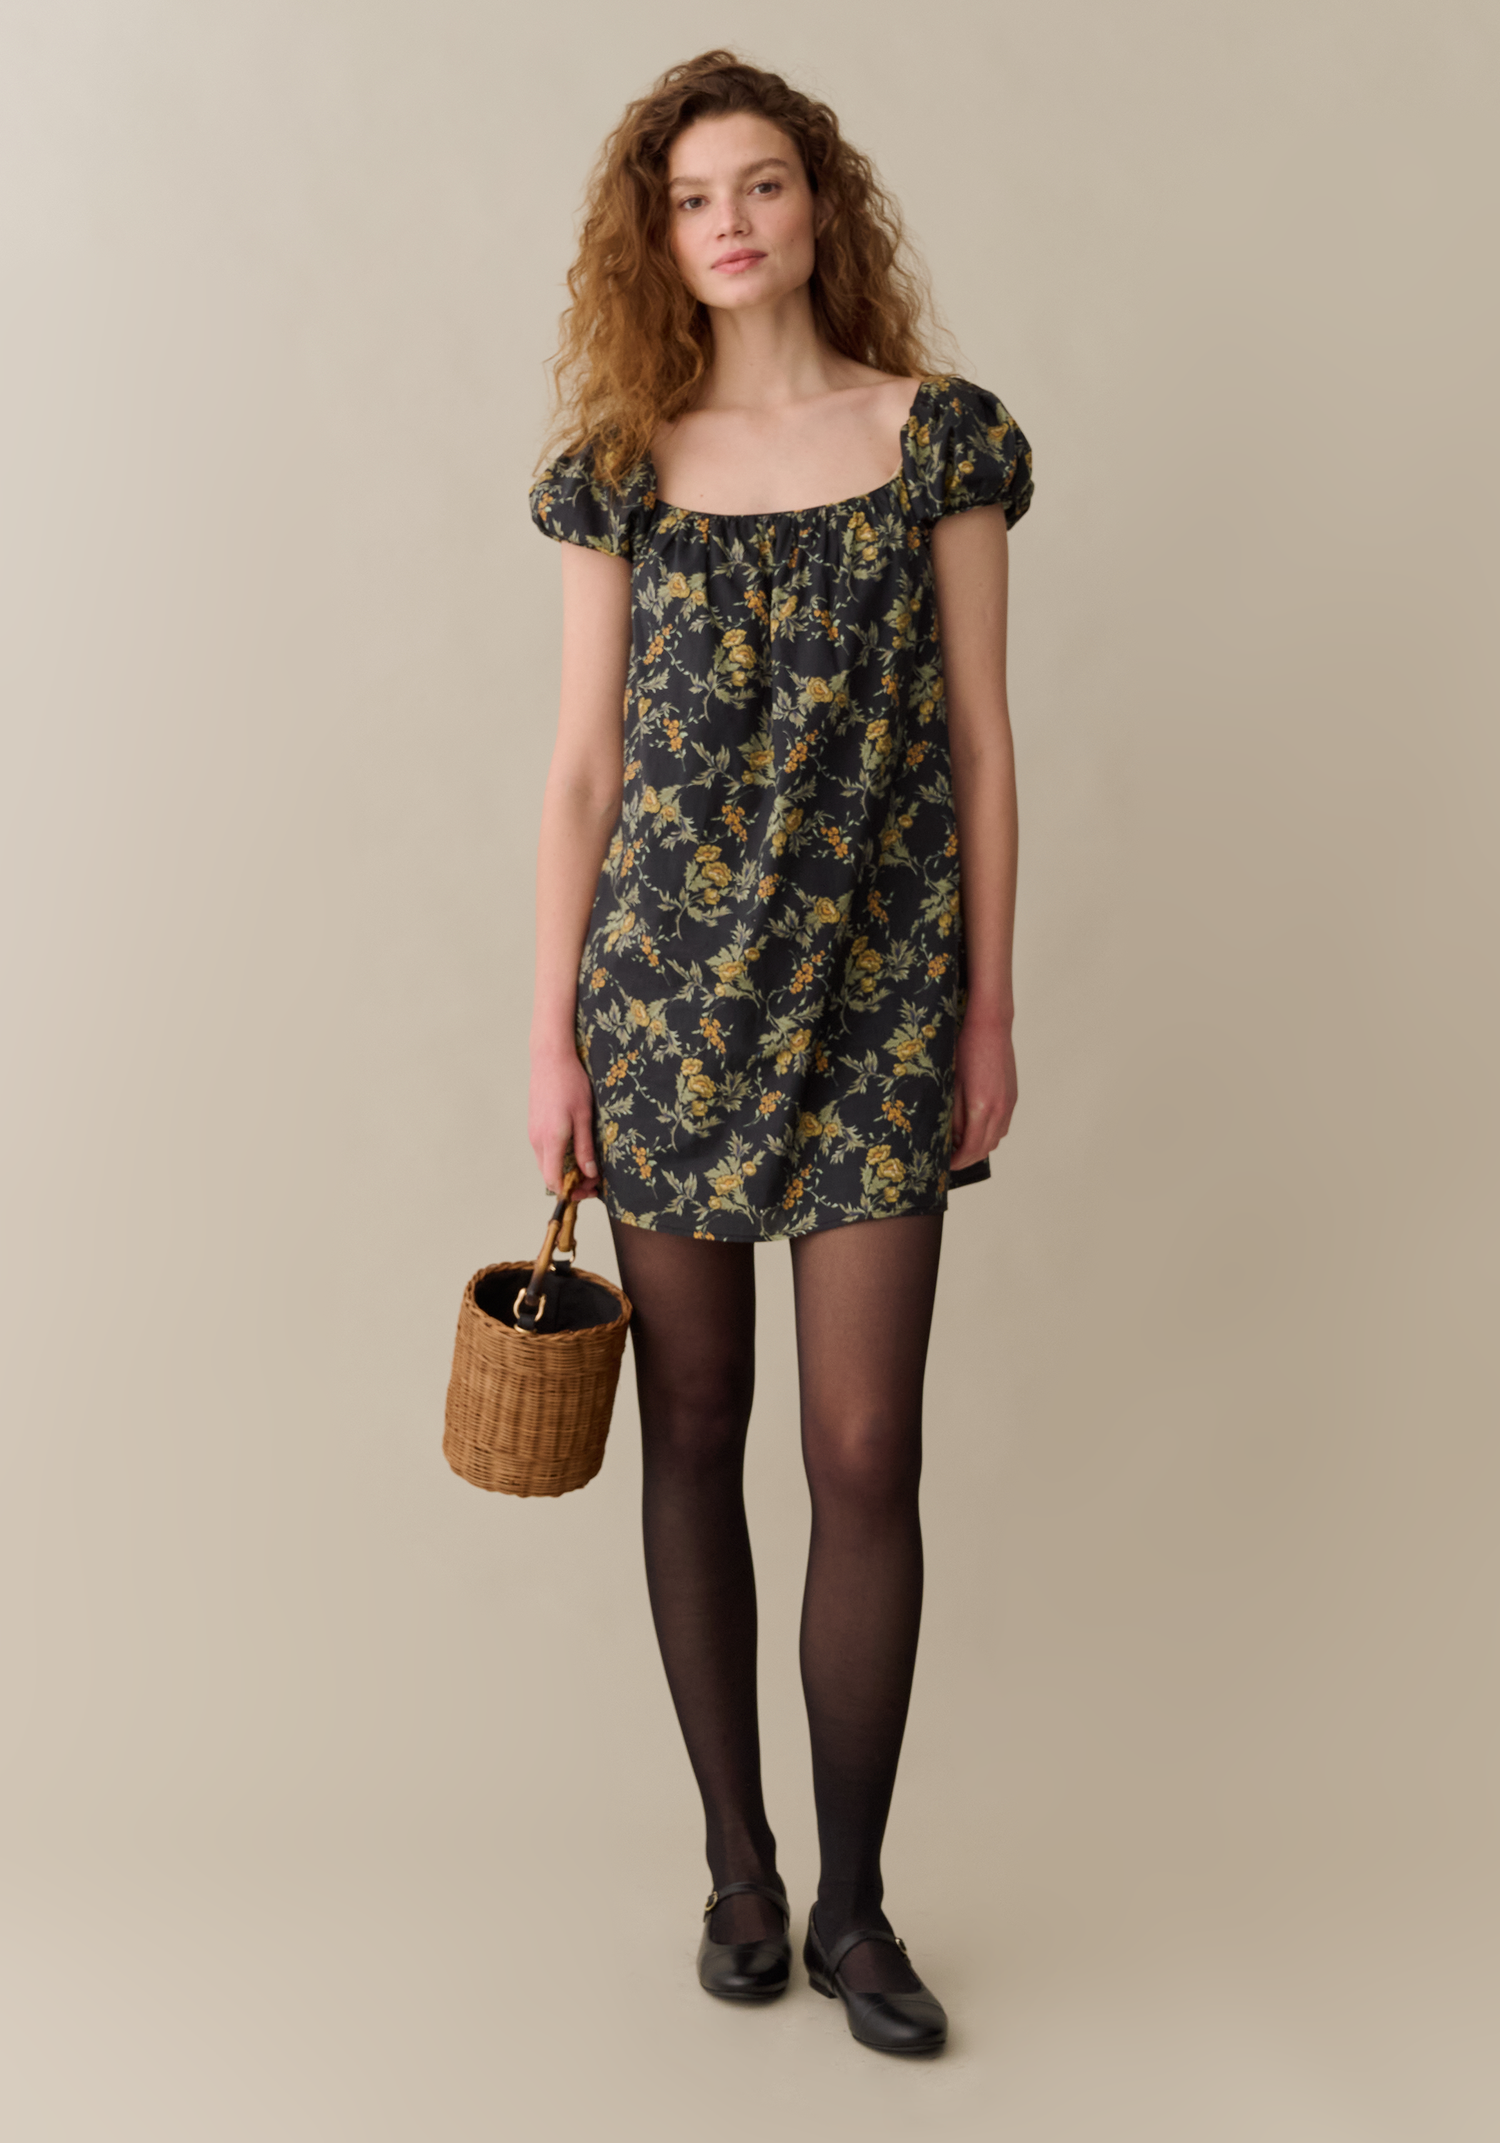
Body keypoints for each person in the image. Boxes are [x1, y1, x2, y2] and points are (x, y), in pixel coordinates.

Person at [524, 50, 1033, 2057]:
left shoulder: (941, 441)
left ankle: (857, 1904)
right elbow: (583, 771)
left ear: (821, 202)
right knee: (694, 1424)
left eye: (760, 184)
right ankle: (738, 1868)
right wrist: (552, 1037)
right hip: (662, 1003)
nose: (729, 222)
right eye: (691, 198)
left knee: (864, 1448)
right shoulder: (620, 466)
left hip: (885, 997)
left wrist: (990, 1002)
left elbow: (981, 742)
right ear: (657, 239)